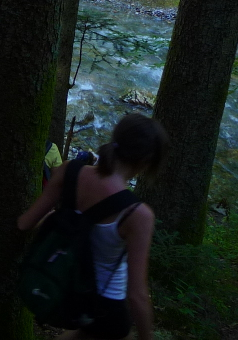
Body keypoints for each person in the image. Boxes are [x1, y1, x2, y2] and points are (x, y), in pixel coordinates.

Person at [18, 113, 167, 340]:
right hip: (104, 306)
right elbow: (136, 294)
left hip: (61, 285)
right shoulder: (137, 214)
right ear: (146, 161)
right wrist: (147, 336)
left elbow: (25, 224)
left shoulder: (69, 170)